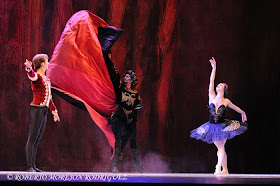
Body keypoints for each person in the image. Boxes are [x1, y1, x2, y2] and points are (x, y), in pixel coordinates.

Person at [190, 57, 247, 175]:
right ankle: (225, 170)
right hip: (211, 126)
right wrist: (214, 68)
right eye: (218, 84)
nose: (218, 85)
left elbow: (236, 108)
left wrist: (242, 113)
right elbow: (211, 81)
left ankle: (218, 167)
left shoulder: (226, 101)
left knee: (221, 148)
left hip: (223, 127)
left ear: (225, 89)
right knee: (220, 148)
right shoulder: (211, 96)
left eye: (221, 85)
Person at [102, 49, 143, 173]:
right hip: (120, 120)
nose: (125, 77)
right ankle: (114, 166)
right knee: (118, 142)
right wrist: (108, 59)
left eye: (127, 76)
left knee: (133, 142)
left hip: (130, 122)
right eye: (124, 76)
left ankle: (137, 164)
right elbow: (113, 74)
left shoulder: (135, 94)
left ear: (131, 80)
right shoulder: (119, 88)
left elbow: (136, 106)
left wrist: (133, 116)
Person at [24, 54, 60, 172]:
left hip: (43, 110)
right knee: (32, 138)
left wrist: (54, 111)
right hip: (36, 110)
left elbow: (49, 98)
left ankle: (33, 166)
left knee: (37, 139)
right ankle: (29, 166)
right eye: (47, 61)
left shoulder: (46, 79)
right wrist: (29, 69)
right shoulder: (38, 77)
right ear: (42, 64)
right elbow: (32, 76)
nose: (48, 63)